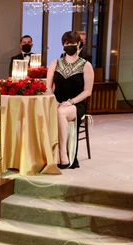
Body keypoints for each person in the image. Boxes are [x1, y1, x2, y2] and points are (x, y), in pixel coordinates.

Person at [46, 31, 94, 169]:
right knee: (56, 111)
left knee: (61, 112)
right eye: (67, 43)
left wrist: (71, 102)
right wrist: (54, 100)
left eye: (73, 43)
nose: (70, 46)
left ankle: (63, 154)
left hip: (76, 104)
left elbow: (87, 91)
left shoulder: (86, 65)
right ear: (63, 45)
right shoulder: (55, 63)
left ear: (78, 44)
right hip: (56, 102)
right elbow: (48, 88)